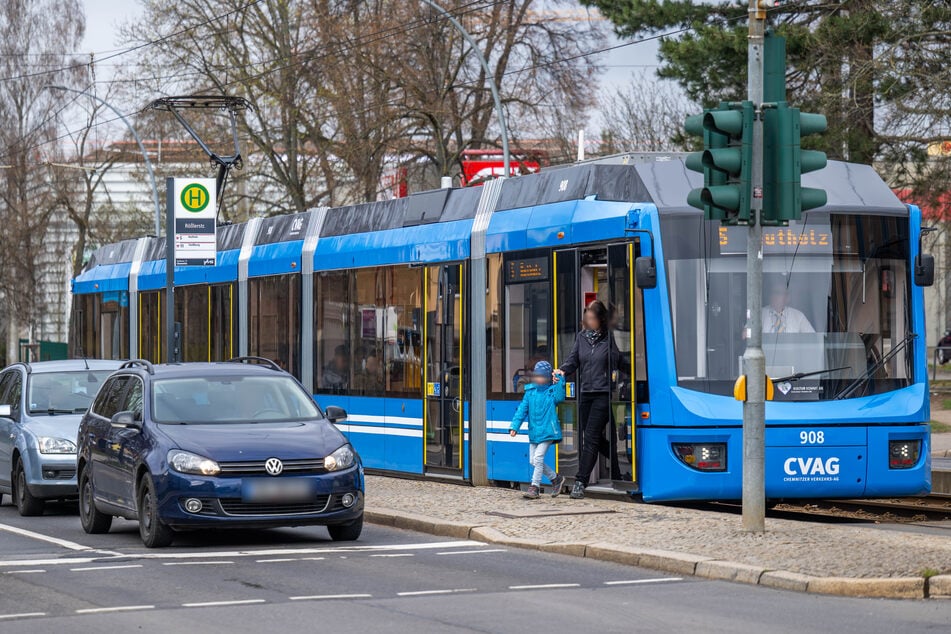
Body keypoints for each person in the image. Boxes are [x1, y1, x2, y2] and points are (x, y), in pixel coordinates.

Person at [555, 300, 628, 499]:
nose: (588, 321)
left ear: (601, 319)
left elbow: (619, 361)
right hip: (586, 394)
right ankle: (618, 473)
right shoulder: (581, 338)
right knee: (595, 439)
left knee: (591, 439)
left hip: (603, 395)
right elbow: (573, 359)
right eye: (586, 317)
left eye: (591, 317)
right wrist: (562, 370)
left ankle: (580, 481)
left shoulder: (609, 339)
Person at [509, 360, 566, 499]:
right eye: (537, 376)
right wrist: (514, 426)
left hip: (548, 430)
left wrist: (559, 379)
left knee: (538, 458)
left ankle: (534, 487)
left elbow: (560, 397)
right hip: (535, 431)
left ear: (547, 377)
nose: (539, 379)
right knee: (533, 461)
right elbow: (522, 410)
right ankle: (555, 479)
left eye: (542, 376)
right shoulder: (530, 392)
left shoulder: (551, 392)